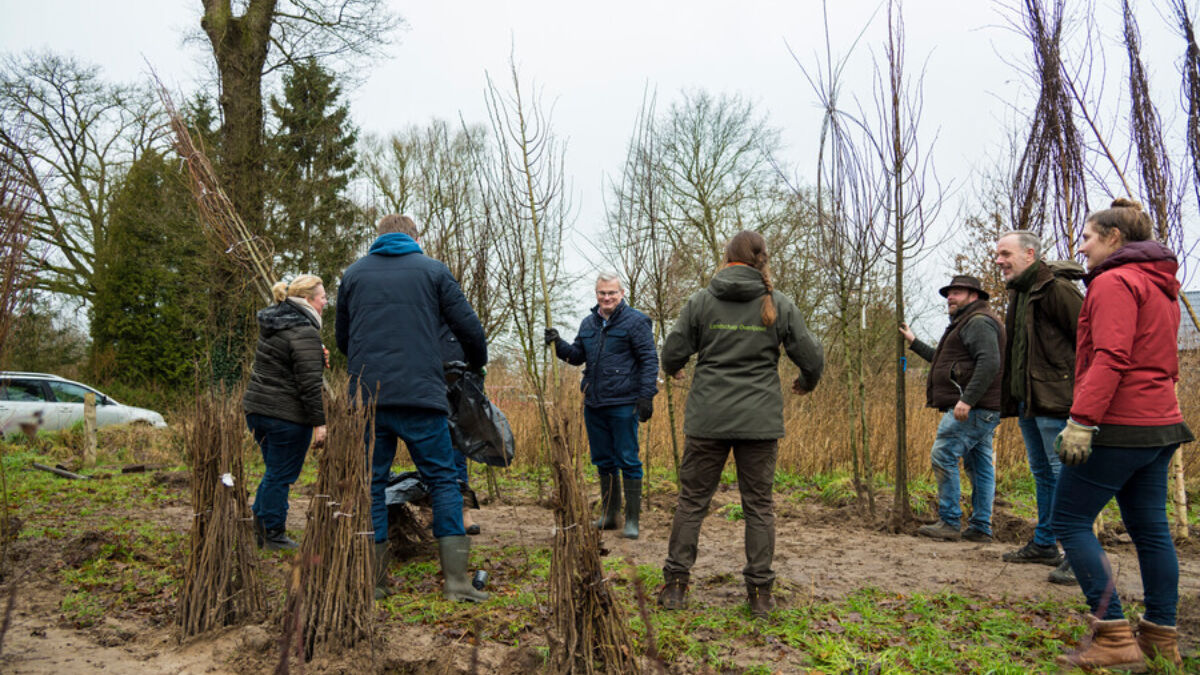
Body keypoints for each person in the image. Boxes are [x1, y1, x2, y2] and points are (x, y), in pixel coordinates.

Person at [1052, 199, 1192, 671]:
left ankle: (1112, 635)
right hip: (1160, 422)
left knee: (1068, 520)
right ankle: (1160, 637)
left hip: (1119, 422)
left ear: (1114, 239)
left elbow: (1111, 356)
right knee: (1152, 530)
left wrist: (1082, 421)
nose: (1082, 246)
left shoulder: (1114, 281)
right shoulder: (1161, 285)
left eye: (1088, 237)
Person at [657, 230, 823, 619]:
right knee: (759, 506)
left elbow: (672, 350)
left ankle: (676, 587)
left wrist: (674, 368)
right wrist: (806, 382)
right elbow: (812, 356)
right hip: (759, 420)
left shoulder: (701, 301)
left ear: (726, 257)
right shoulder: (778, 304)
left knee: (692, 502)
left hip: (708, 419)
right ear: (762, 260)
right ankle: (761, 594)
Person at [336, 214, 489, 603]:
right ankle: (456, 583)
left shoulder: (353, 275)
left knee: (371, 484)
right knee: (442, 479)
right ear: (415, 237)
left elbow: (342, 339)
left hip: (368, 399)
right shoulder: (434, 271)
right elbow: (469, 328)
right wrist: (473, 363)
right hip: (422, 397)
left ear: (379, 237)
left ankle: (374, 583)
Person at [994, 231, 1084, 584]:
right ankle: (1046, 543)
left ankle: (1077, 553)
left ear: (1029, 254)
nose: (999, 260)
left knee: (1063, 475)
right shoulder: (1020, 292)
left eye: (1005, 253)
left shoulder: (1056, 289)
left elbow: (1087, 339)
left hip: (1056, 400)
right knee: (1044, 475)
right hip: (1029, 401)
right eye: (997, 255)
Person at [544, 273, 658, 539]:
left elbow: (649, 360)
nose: (606, 298)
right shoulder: (588, 323)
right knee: (603, 459)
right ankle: (610, 515)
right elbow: (576, 356)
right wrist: (558, 344)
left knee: (628, 459)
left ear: (621, 293)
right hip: (594, 402)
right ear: (596, 294)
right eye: (601, 293)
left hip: (624, 402)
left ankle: (632, 520)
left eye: (611, 293)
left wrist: (646, 396)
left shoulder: (636, 321)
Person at [899, 275, 1005, 543]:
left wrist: (967, 399)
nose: (951, 297)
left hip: (974, 408)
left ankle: (949, 521)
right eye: (949, 293)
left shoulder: (978, 323)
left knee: (943, 453)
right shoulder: (966, 323)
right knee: (979, 465)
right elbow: (943, 362)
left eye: (957, 292)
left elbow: (990, 362)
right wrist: (914, 341)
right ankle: (981, 526)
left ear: (975, 296)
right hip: (983, 407)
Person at [243, 275, 328, 551]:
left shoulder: (276, 323)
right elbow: (309, 386)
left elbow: (286, 365)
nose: (326, 301)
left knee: (274, 472)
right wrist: (320, 424)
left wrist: (317, 356)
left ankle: (259, 525)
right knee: (281, 475)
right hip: (285, 416)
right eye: (322, 296)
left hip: (258, 410)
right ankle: (273, 534)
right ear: (307, 300)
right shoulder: (304, 330)